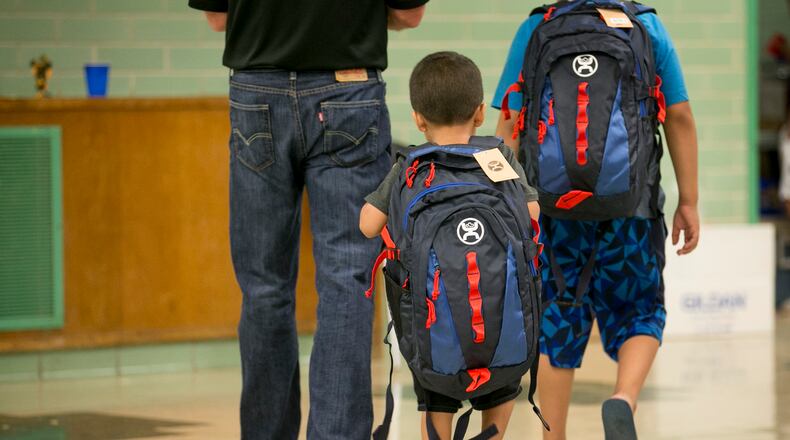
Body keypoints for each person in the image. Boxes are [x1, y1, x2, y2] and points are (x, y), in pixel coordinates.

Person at [188, 1, 428, 439]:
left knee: (263, 286)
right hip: (348, 89)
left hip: (255, 90)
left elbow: (218, 17)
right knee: (346, 279)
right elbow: (409, 13)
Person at [492, 4, 700, 440]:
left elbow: (508, 123)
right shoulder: (646, 26)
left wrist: (503, 203)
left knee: (556, 320)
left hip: (554, 208)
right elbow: (679, 116)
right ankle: (622, 397)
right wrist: (689, 201)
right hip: (633, 207)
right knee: (640, 310)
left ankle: (555, 435)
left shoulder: (538, 26)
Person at [359, 51, 541, 440]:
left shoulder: (408, 167)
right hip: (500, 322)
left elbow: (368, 226)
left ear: (418, 119)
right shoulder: (498, 157)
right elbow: (533, 214)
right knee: (503, 382)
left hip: (433, 328)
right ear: (479, 113)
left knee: (435, 396)